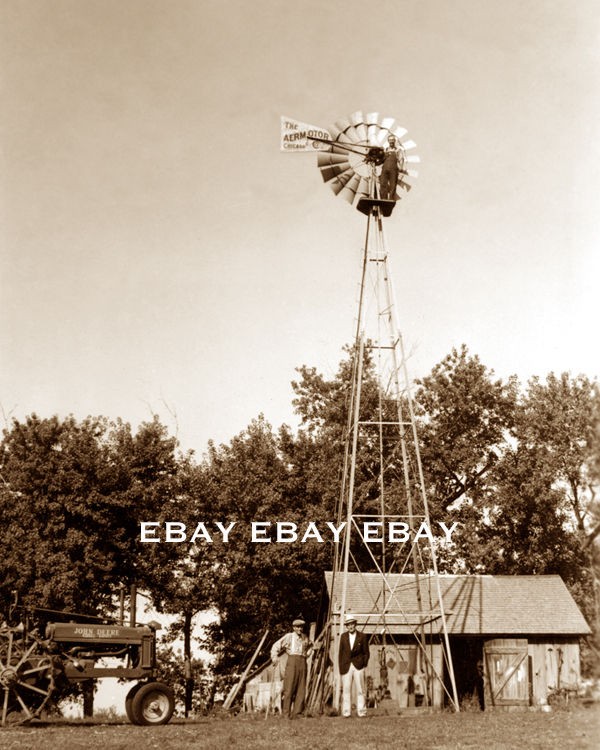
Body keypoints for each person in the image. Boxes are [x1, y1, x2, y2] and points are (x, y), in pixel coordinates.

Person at [270, 616, 313, 718]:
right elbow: (276, 646)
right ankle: (286, 714)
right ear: (293, 628)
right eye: (297, 627)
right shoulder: (289, 636)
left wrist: (308, 653)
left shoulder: (305, 637)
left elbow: (311, 646)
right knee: (289, 688)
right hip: (292, 662)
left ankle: (297, 713)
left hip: (302, 662)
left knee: (301, 688)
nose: (299, 629)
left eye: (301, 627)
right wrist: (274, 657)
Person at [338, 614, 370, 717]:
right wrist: (341, 667)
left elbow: (366, 652)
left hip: (358, 666)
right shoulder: (343, 637)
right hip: (346, 666)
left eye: (352, 624)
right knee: (346, 690)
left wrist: (363, 664)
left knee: (360, 689)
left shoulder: (362, 636)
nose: (350, 626)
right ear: (346, 626)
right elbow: (341, 653)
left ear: (355, 624)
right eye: (348, 625)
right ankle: (346, 712)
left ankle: (362, 711)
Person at [379, 134, 405, 200]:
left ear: (394, 141)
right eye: (390, 140)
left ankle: (391, 199)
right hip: (385, 169)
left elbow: (401, 159)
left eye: (392, 140)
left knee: (393, 185)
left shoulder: (397, 151)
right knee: (382, 183)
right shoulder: (385, 150)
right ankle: (383, 199)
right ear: (388, 141)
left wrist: (401, 168)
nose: (391, 141)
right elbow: (381, 160)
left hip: (393, 170)